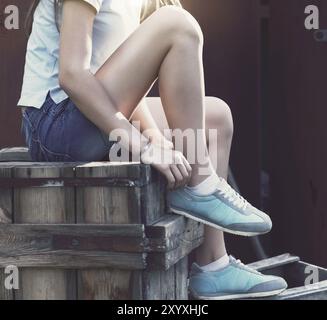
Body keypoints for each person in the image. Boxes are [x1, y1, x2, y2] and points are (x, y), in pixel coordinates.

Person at [19, 0, 287, 300]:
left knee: (217, 118)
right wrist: (141, 144)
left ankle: (213, 265)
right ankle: (200, 185)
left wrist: (154, 136)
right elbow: (72, 75)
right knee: (178, 23)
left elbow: (123, 87)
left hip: (85, 117)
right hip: (55, 127)